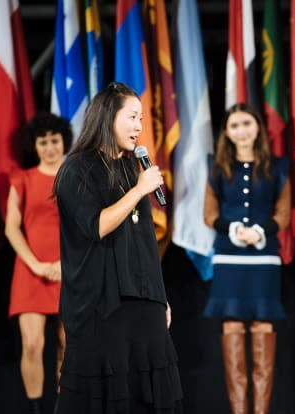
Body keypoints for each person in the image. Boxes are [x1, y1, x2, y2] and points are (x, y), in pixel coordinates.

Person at [52, 82, 182, 413]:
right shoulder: (76, 169)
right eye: (133, 117)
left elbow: (144, 244)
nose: (140, 127)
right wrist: (139, 192)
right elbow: (96, 226)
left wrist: (160, 295)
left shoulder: (130, 168)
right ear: (108, 116)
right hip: (104, 308)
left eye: (141, 118)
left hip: (146, 306)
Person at [203, 103, 291, 414]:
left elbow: (283, 212)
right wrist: (234, 229)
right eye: (235, 125)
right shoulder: (216, 167)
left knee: (262, 327)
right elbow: (209, 214)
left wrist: (260, 230)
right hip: (228, 257)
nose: (242, 130)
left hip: (264, 258)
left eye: (247, 123)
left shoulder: (277, 166)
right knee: (232, 329)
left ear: (258, 128)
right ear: (226, 132)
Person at [6, 112, 72, 414]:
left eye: (54, 140)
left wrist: (64, 263)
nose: (49, 147)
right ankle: (35, 409)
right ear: (35, 145)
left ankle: (65, 406)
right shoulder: (22, 178)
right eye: (42, 142)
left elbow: (87, 226)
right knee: (32, 344)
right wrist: (35, 264)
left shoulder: (75, 176)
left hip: (71, 269)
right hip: (30, 270)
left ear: (63, 142)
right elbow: (11, 227)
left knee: (67, 345)